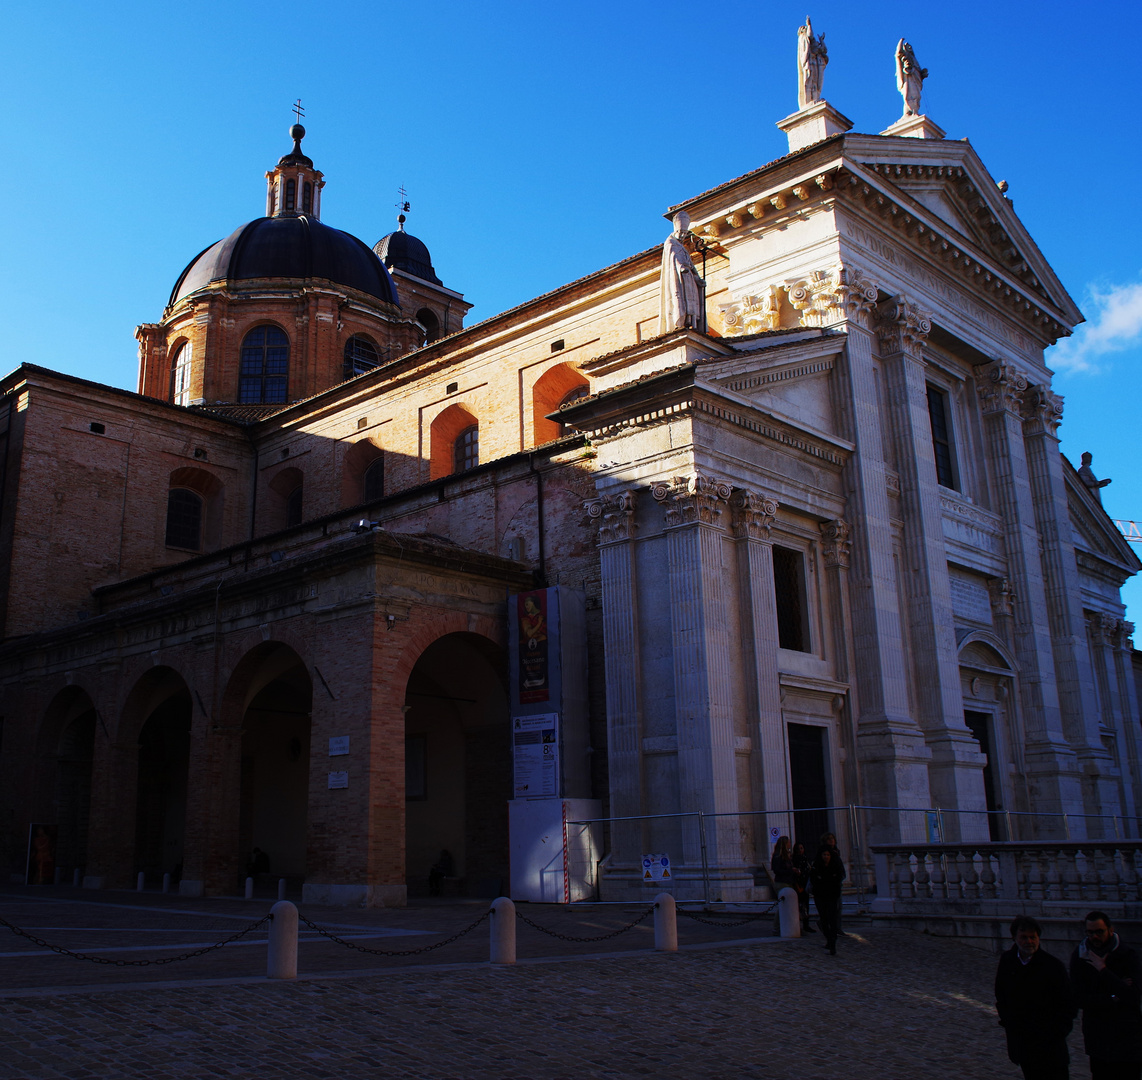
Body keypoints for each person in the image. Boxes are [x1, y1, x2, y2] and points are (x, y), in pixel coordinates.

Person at [995, 915, 1075, 1080]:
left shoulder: (1053, 966)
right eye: (1023, 937)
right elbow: (1001, 993)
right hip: (1023, 1043)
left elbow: (1068, 1004)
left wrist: (1057, 1032)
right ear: (1014, 938)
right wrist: (1008, 1021)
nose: (1029, 942)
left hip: (1050, 1045)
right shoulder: (1008, 961)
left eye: (1033, 937)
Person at [1070, 911, 1142, 1079]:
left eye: (1099, 931)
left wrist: (1103, 970)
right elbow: (1079, 998)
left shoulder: (1127, 955)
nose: (1095, 936)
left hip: (1128, 1037)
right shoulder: (1080, 956)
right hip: (1098, 1037)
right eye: (1090, 932)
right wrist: (1113, 997)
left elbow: (1133, 996)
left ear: (1110, 930)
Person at [810, 848, 844, 955]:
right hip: (820, 896)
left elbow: (839, 878)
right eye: (824, 855)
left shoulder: (835, 866)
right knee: (824, 919)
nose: (826, 857)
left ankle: (832, 942)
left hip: (832, 896)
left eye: (828, 855)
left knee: (832, 919)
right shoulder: (816, 866)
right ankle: (829, 938)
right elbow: (813, 878)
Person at [818, 831, 847, 934]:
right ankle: (826, 924)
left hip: (836, 882)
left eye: (832, 839)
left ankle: (837, 927)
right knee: (830, 906)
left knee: (838, 907)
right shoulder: (824, 853)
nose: (831, 841)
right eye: (829, 839)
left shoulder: (836, 852)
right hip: (829, 883)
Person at [792, 840, 815, 930]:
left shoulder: (805, 858)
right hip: (799, 884)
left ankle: (806, 924)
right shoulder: (795, 859)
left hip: (805, 884)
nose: (801, 850)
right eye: (799, 849)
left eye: (802, 848)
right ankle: (798, 924)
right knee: (800, 905)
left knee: (806, 905)